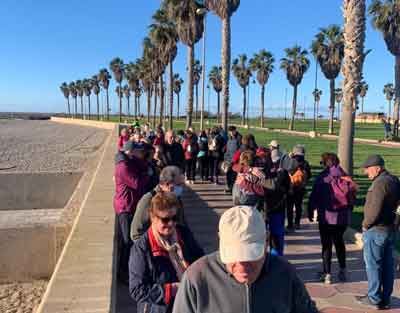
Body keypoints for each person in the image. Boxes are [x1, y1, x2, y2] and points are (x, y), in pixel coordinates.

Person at [173, 206, 318, 313]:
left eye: (250, 256)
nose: (242, 267)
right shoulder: (196, 278)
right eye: (234, 256)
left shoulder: (285, 274)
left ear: (266, 241)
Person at [130, 192, 204, 313]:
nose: (171, 224)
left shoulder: (183, 233)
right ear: (152, 217)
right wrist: (173, 289)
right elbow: (137, 290)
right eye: (165, 219)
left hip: (188, 304)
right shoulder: (141, 249)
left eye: (174, 218)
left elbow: (200, 260)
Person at [356, 155, 400, 310]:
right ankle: (385, 298)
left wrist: (365, 224)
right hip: (389, 230)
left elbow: (374, 211)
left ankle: (374, 298)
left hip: (376, 230)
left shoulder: (379, 184)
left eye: (368, 168)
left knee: (373, 266)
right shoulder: (394, 180)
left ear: (378, 168)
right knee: (388, 266)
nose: (366, 171)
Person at [308, 153, 357, 285]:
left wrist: (310, 211)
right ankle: (342, 270)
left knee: (326, 245)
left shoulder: (323, 178)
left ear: (325, 163)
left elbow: (314, 197)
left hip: (326, 217)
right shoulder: (345, 176)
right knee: (339, 243)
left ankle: (327, 273)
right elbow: (352, 197)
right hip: (342, 218)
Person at [114, 141, 149, 282]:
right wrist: (146, 175)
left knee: (129, 240)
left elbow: (143, 167)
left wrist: (143, 162)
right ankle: (123, 274)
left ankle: (127, 271)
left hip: (131, 204)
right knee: (127, 241)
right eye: (138, 151)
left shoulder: (130, 160)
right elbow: (137, 183)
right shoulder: (123, 166)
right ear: (131, 151)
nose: (140, 153)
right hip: (125, 207)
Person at [131, 166, 186, 240]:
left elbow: (182, 225)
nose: (182, 187)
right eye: (179, 184)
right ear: (168, 184)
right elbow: (136, 234)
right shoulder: (148, 200)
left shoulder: (175, 198)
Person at [264, 149, 291, 256]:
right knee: (277, 236)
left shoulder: (265, 171)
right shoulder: (283, 173)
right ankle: (276, 258)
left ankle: (270, 257)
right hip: (278, 208)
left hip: (267, 207)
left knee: (268, 236)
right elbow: (288, 189)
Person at [286, 145, 312, 232]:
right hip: (300, 188)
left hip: (290, 187)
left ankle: (290, 224)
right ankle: (297, 223)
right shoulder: (305, 163)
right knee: (298, 206)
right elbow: (309, 175)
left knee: (289, 207)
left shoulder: (290, 161)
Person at [224, 126, 242, 194]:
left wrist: (236, 159)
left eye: (232, 131)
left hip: (236, 161)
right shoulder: (229, 139)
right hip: (229, 160)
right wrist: (225, 158)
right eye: (230, 131)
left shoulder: (239, 138)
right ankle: (229, 188)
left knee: (234, 176)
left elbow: (240, 150)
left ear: (235, 130)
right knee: (228, 175)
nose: (231, 133)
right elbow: (227, 150)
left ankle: (233, 190)